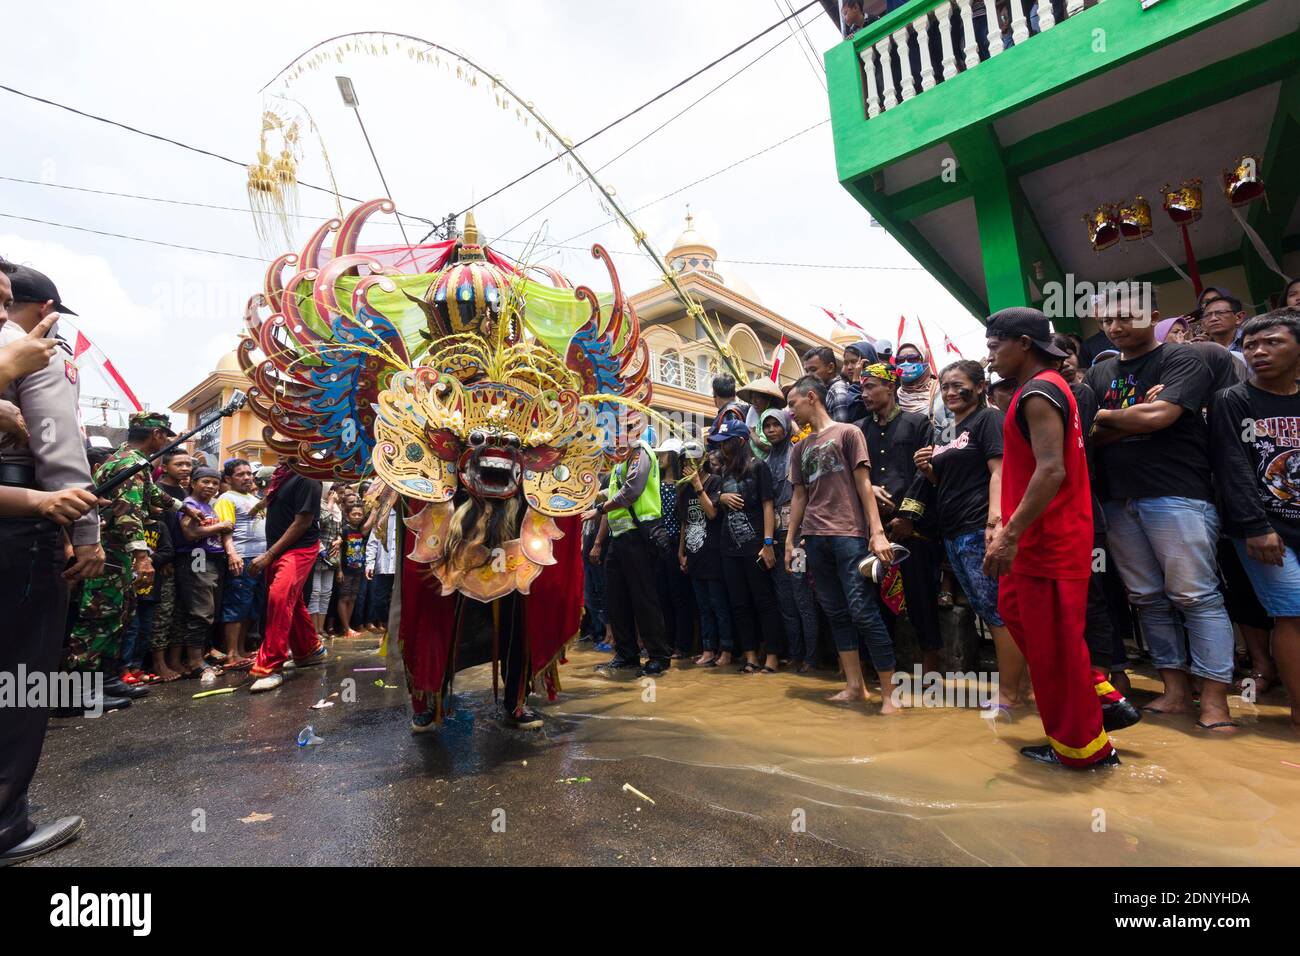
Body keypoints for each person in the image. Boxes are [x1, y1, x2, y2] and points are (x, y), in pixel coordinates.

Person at [1085, 294, 1238, 732]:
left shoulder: (1183, 358)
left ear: (1152, 316)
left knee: (1195, 596)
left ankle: (1214, 699)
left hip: (1177, 490)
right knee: (1147, 597)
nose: (1114, 326)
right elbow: (1091, 433)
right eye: (1106, 319)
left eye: (1124, 316)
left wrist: (1113, 417)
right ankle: (1173, 691)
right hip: (1117, 497)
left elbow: (1160, 418)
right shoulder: (1099, 371)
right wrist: (1132, 415)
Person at [984, 308, 1128, 768]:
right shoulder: (1043, 387)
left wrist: (1008, 535)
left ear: (1023, 344)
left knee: (1054, 644)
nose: (990, 359)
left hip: (1048, 537)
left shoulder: (1039, 393)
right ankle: (1100, 698)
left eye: (994, 347)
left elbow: (1051, 471)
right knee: (1012, 611)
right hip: (1036, 537)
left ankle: (1084, 749)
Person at [0, 260, 102, 865]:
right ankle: (7, 823)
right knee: (18, 674)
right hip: (20, 527)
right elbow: (59, 442)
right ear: (48, 311)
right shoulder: (30, 349)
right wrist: (84, 530)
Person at [911, 360, 1028, 710]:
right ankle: (1020, 690)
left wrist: (996, 523)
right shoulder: (949, 430)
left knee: (997, 611)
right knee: (986, 608)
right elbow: (945, 481)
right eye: (944, 386)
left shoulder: (987, 418)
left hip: (979, 529)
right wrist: (928, 469)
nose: (949, 392)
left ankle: (1012, 694)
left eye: (958, 385)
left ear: (979, 387)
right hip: (954, 532)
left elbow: (1000, 470)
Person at [1210, 308, 1300, 735]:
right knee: (1294, 613)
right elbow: (1233, 467)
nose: (1259, 352)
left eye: (1273, 343)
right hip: (1266, 527)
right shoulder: (1235, 400)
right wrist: (1255, 526)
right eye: (1251, 346)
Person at [785, 375, 897, 709]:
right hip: (815, 537)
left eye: (792, 404)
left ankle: (891, 695)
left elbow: (865, 485)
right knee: (835, 611)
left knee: (863, 610)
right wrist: (791, 541)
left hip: (849, 532)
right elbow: (799, 496)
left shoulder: (849, 433)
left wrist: (876, 532)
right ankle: (854, 687)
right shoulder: (800, 449)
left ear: (811, 397)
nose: (790, 412)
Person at [857, 362, 943, 674]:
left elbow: (926, 474)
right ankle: (883, 669)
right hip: (874, 529)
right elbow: (854, 475)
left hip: (913, 530)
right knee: (875, 599)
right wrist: (869, 490)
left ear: (890, 387)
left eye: (870, 387)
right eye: (862, 387)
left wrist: (907, 517)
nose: (864, 393)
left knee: (921, 597)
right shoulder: (859, 429)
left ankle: (931, 668)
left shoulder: (918, 423)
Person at [589, 437, 673, 677]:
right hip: (619, 537)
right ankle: (626, 654)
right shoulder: (619, 463)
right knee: (616, 598)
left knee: (644, 598)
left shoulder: (640, 451)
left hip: (640, 535)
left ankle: (659, 656)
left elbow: (632, 490)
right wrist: (592, 495)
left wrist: (600, 508)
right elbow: (613, 493)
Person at [247, 463, 328, 691]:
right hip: (278, 548)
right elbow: (280, 499)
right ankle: (309, 650)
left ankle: (271, 666)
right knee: (294, 601)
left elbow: (302, 522)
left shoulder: (310, 475)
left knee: (279, 598)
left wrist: (269, 554)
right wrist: (260, 505)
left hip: (299, 548)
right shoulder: (283, 473)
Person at [710, 419, 784, 673]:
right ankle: (751, 656)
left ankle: (773, 656)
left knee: (764, 601)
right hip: (728, 549)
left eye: (726, 444)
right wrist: (720, 497)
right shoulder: (723, 473)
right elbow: (712, 505)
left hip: (755, 546)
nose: (721, 449)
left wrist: (767, 543)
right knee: (739, 603)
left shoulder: (758, 467)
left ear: (740, 442)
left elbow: (767, 505)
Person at [761, 407, 819, 671]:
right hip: (777, 534)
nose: (771, 430)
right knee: (784, 597)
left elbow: (804, 493)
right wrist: (769, 541)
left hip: (797, 536)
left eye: (776, 424)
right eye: (767, 425)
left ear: (786, 425)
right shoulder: (765, 460)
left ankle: (812, 656)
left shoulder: (799, 451)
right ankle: (795, 653)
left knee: (802, 594)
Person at [678, 448, 732, 666]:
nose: (689, 465)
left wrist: (698, 487)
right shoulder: (683, 488)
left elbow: (712, 513)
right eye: (685, 461)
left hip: (713, 551)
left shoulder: (716, 482)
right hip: (693, 553)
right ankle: (708, 649)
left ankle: (726, 650)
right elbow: (685, 521)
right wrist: (681, 551)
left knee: (718, 603)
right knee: (702, 606)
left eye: (693, 460)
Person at [176, 466, 232, 675]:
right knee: (201, 611)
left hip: (211, 561)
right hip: (196, 560)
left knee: (207, 610)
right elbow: (189, 533)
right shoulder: (190, 504)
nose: (210, 486)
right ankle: (195, 662)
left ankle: (200, 657)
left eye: (215, 483)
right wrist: (221, 526)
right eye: (205, 482)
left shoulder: (208, 506)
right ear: (193, 483)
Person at [215, 458, 265, 668]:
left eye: (248, 473)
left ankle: (242, 649)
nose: (247, 477)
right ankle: (232, 653)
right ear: (228, 478)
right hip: (241, 557)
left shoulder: (253, 498)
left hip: (259, 558)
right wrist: (232, 553)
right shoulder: (227, 498)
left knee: (249, 607)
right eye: (240, 474)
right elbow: (226, 529)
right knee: (236, 605)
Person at [652, 439, 697, 659]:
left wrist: (681, 550)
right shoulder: (655, 484)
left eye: (663, 454)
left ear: (672, 456)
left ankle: (683, 645)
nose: (659, 458)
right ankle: (667, 642)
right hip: (658, 544)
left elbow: (683, 520)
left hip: (675, 542)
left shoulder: (683, 485)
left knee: (679, 596)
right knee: (663, 594)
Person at [309, 486, 342, 637]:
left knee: (326, 593)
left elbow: (338, 530)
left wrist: (340, 539)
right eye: (330, 490)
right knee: (315, 592)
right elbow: (320, 522)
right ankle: (313, 630)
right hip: (317, 554)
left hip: (332, 555)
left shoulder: (336, 508)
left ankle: (321, 629)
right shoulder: (317, 504)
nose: (333, 493)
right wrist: (329, 503)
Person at [364, 496, 398, 634]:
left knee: (399, 600)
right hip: (384, 565)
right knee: (379, 601)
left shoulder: (408, 514)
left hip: (400, 567)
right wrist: (370, 564)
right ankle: (388, 627)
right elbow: (373, 541)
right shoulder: (382, 516)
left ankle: (395, 632)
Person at [802, 346, 859, 424]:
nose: (808, 375)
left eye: (813, 370)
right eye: (806, 371)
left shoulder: (837, 390)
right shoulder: (825, 391)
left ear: (830, 368)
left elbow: (841, 430)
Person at [336, 503, 368, 637]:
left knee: (353, 597)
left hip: (358, 570)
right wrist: (339, 570)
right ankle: (346, 627)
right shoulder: (344, 530)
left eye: (360, 514)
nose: (357, 517)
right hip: (346, 569)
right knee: (344, 597)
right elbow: (338, 551)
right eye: (354, 514)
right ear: (347, 516)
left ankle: (347, 628)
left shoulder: (360, 530)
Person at [895, 342, 943, 420]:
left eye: (913, 358)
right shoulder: (895, 395)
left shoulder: (941, 390)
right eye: (900, 360)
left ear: (925, 360)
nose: (905, 363)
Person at [1199, 291, 1248, 356]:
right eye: (1207, 315)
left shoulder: (1251, 340)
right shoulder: (1202, 349)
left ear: (1239, 317)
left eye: (1220, 313)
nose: (1213, 318)